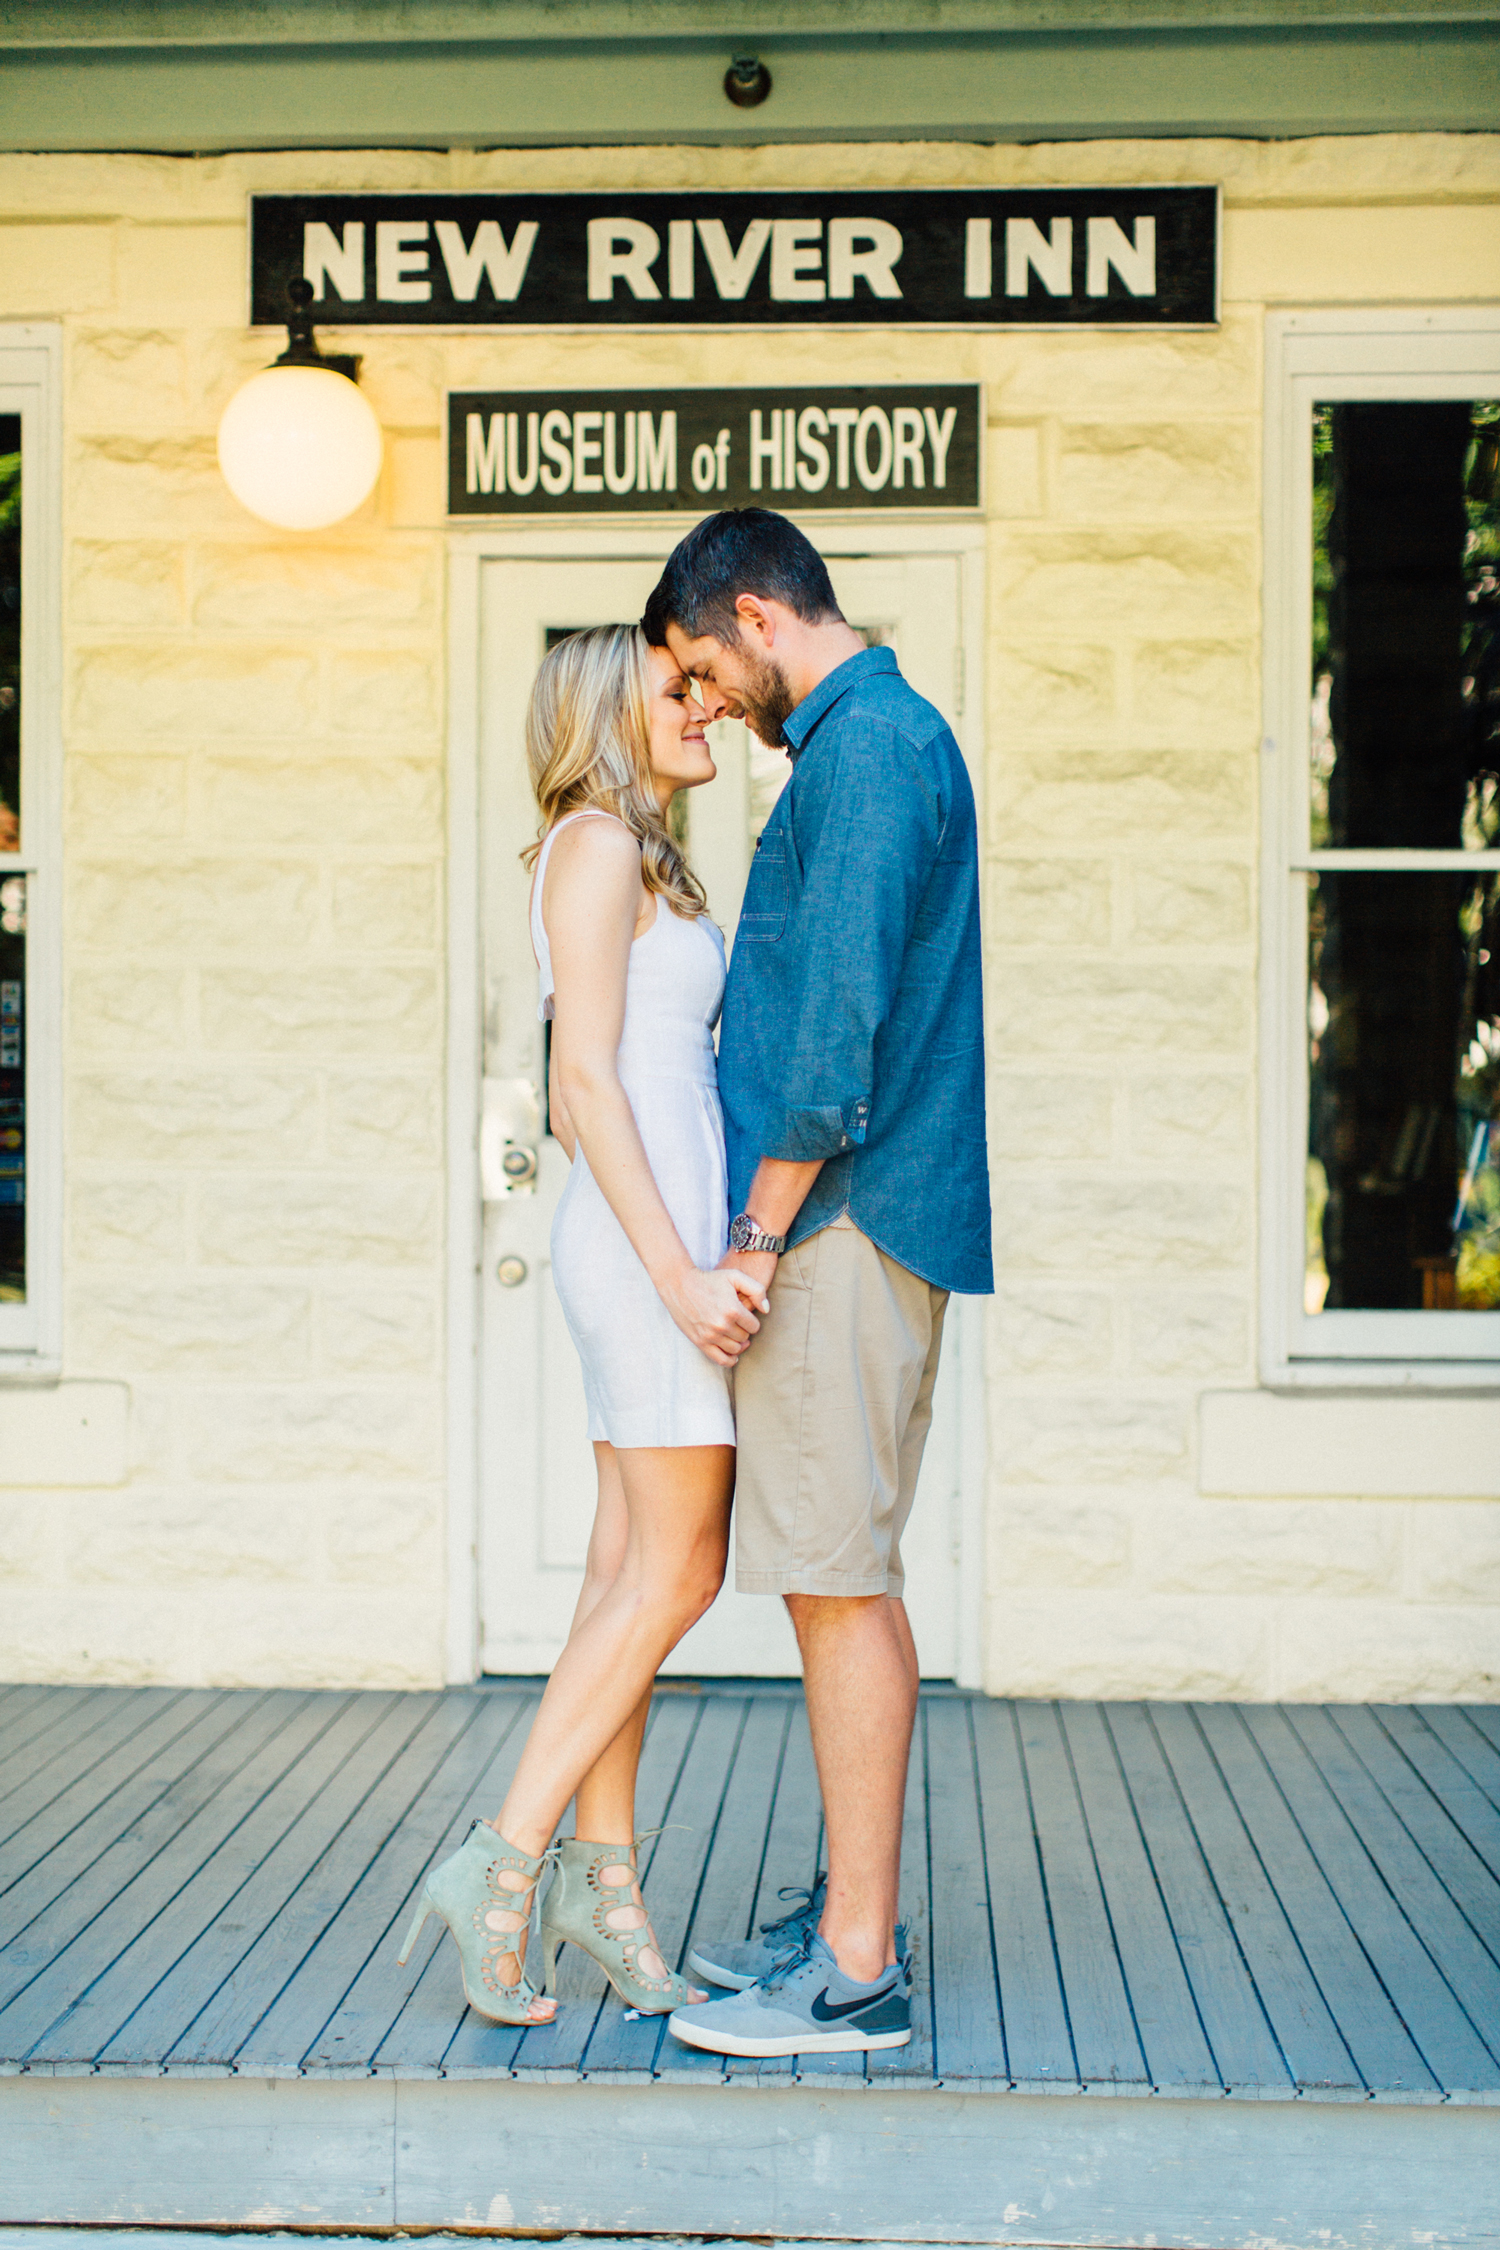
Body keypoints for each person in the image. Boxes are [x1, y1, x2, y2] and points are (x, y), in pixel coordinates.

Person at [644, 509, 992, 2061]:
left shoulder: (862, 756)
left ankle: (855, 1970)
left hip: (839, 1226)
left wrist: (755, 1237)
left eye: (702, 668)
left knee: (840, 1584)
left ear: (755, 615)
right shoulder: (873, 744)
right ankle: (856, 1914)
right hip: (863, 1223)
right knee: (847, 1577)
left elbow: (831, 1036)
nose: (706, 702)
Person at [397, 624, 766, 2028]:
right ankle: (503, 1863)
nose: (704, 706)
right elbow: (586, 1088)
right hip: (644, 1252)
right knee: (681, 1569)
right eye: (676, 691)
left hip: (648, 1240)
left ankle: (604, 1893)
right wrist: (681, 1275)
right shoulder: (599, 845)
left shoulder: (630, 853)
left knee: (626, 1572)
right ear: (608, 714)